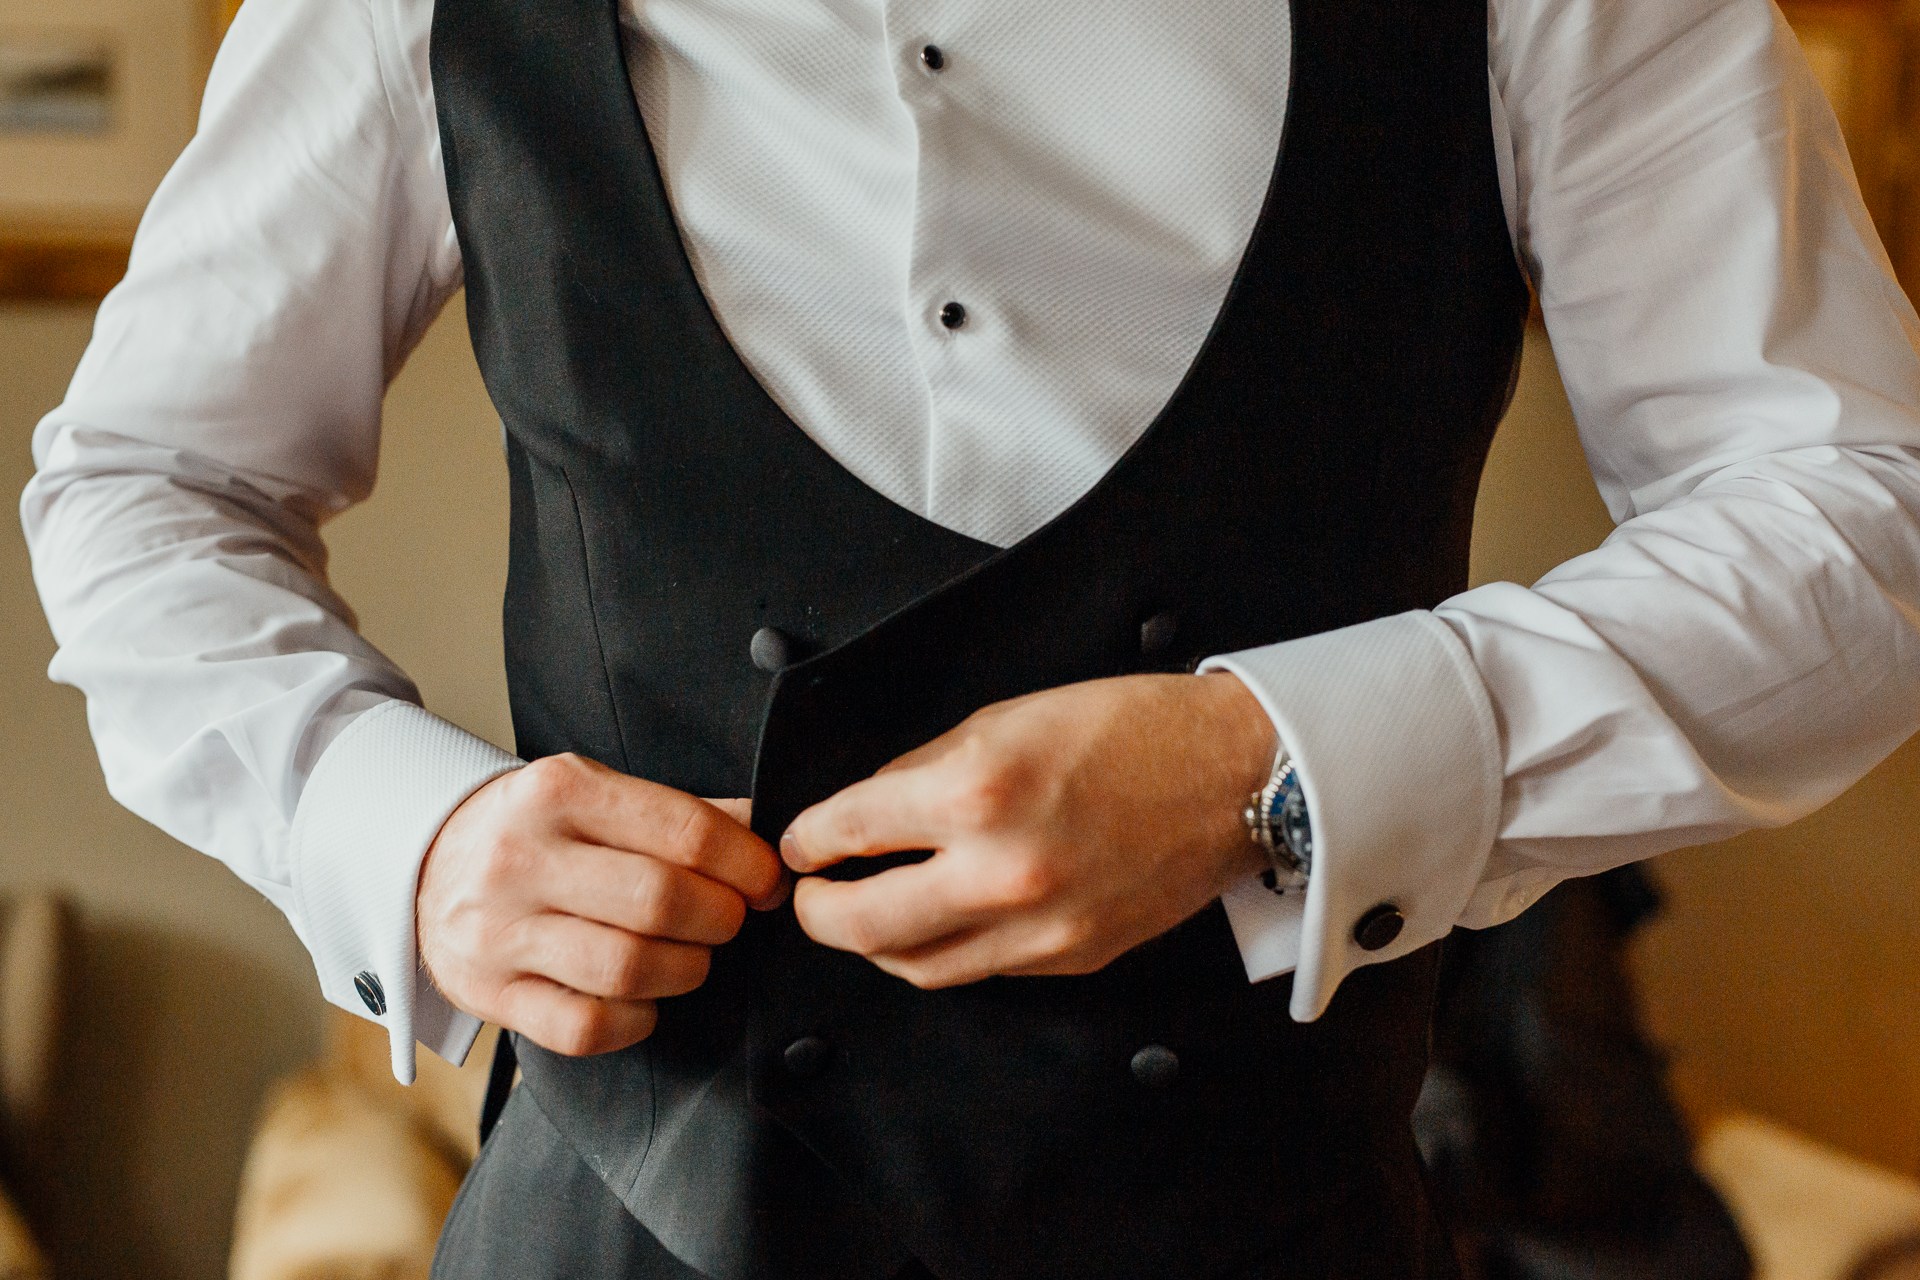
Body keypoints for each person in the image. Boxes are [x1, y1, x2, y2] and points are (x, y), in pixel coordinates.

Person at [21, 0, 1920, 1273]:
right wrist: (408, 843)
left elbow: (1864, 514)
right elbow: (144, 480)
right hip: (612, 1229)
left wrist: (1272, 769)